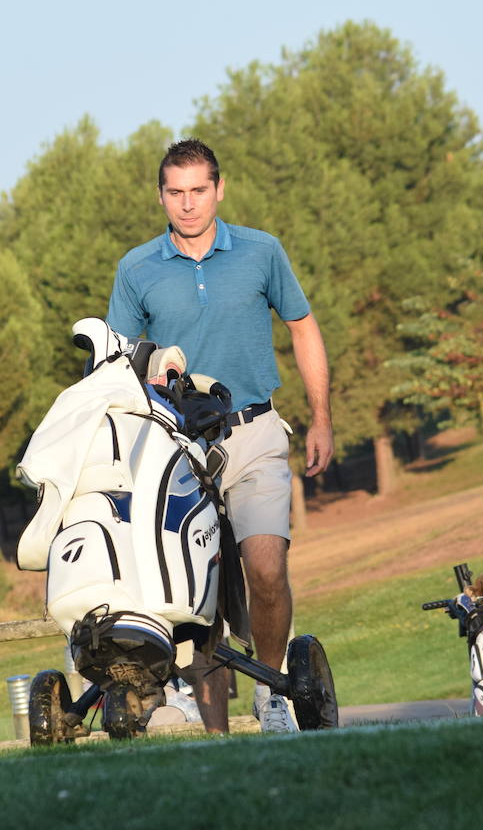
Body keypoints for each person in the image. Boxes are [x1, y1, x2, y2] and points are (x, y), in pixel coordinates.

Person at [107, 138, 334, 733]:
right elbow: (115, 365)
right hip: (175, 446)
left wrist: (321, 416)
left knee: (265, 568)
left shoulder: (262, 252)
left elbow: (304, 328)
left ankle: (271, 689)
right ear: (161, 196)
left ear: (219, 190)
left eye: (198, 191)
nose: (187, 205)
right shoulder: (137, 269)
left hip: (254, 431)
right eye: (175, 193)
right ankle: (201, 714)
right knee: (191, 585)